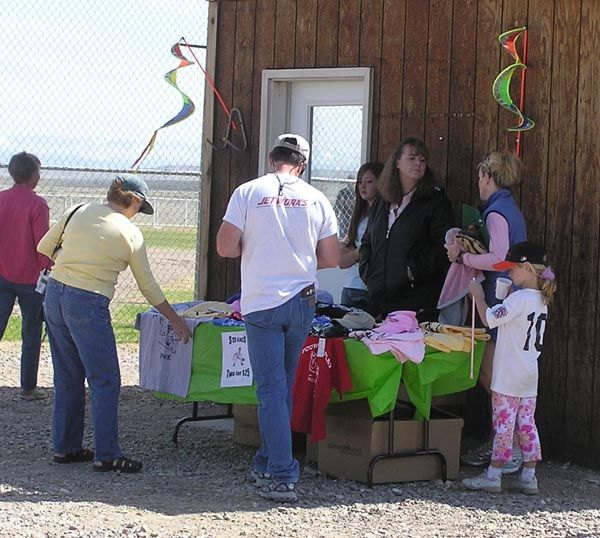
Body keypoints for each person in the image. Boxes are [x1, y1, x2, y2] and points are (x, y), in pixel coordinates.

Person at [37, 174, 191, 473]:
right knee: (105, 380)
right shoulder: (129, 233)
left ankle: (65, 447)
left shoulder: (78, 210)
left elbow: (45, 247)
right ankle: (107, 453)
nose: (138, 215)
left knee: (68, 375)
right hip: (89, 300)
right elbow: (148, 287)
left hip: (54, 293)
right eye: (139, 208)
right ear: (134, 201)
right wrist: (176, 321)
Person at [216, 133, 339, 502]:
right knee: (282, 386)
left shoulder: (248, 192)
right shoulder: (317, 198)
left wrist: (254, 249)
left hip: (262, 301)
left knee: (269, 388)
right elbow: (331, 257)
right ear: (302, 164)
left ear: (273, 159)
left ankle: (283, 473)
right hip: (302, 300)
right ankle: (268, 458)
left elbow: (224, 247)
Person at [446, 151, 527, 470]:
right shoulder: (507, 208)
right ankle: (505, 445)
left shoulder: (496, 213)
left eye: (481, 177)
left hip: (501, 297)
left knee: (493, 377)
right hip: (508, 297)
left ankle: (509, 449)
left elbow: (500, 258)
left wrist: (463, 259)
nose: (479, 183)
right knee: (494, 376)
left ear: (488, 177)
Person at [463, 241, 556, 495]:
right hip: (528, 376)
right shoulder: (541, 300)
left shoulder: (519, 299)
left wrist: (478, 296)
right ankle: (529, 476)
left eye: (512, 269)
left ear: (527, 267)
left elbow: (490, 318)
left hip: (507, 376)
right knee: (527, 424)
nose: (508, 274)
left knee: (503, 424)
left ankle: (493, 474)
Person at [359, 137, 453, 321]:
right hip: (378, 302)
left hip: (416, 303)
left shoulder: (436, 202)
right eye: (412, 158)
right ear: (397, 162)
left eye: (423, 159)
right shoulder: (381, 201)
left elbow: (442, 246)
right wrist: (368, 273)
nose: (418, 163)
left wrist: (411, 271)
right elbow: (367, 242)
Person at [0, 152, 50, 400]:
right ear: (33, 175)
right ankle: (27, 388)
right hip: (31, 281)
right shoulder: (37, 204)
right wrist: (49, 267)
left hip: (2, 275)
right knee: (30, 333)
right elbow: (43, 245)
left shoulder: (1, 199)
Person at [338, 161, 383, 310]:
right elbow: (342, 260)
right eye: (359, 182)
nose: (362, 187)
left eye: (369, 182)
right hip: (351, 286)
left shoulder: (384, 215)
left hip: (368, 289)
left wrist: (357, 253)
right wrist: (358, 252)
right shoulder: (360, 215)